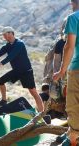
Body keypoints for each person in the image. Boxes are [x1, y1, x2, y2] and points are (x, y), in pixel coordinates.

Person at [0, 26, 44, 112]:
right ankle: (4, 101)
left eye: (4, 35)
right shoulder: (8, 45)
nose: (4, 37)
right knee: (0, 81)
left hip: (25, 71)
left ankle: (41, 112)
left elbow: (11, 56)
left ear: (10, 33)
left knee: (33, 92)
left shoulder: (19, 44)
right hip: (16, 71)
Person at [53, 0, 79, 145]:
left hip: (77, 68)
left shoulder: (74, 17)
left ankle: (73, 139)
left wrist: (61, 71)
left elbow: (69, 46)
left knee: (74, 106)